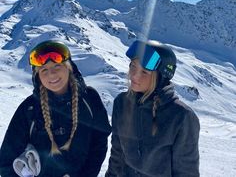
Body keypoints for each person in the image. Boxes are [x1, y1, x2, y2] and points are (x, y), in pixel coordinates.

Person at [0, 40, 111, 177]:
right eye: (44, 70)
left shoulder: (89, 99)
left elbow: (99, 143)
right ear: (38, 76)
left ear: (69, 68)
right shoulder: (29, 109)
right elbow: (7, 160)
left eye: (57, 67)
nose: (51, 75)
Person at [105, 39, 200, 177]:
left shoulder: (181, 116)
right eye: (132, 66)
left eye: (144, 72)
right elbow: (117, 156)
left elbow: (186, 172)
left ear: (160, 78)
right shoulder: (122, 103)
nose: (133, 75)